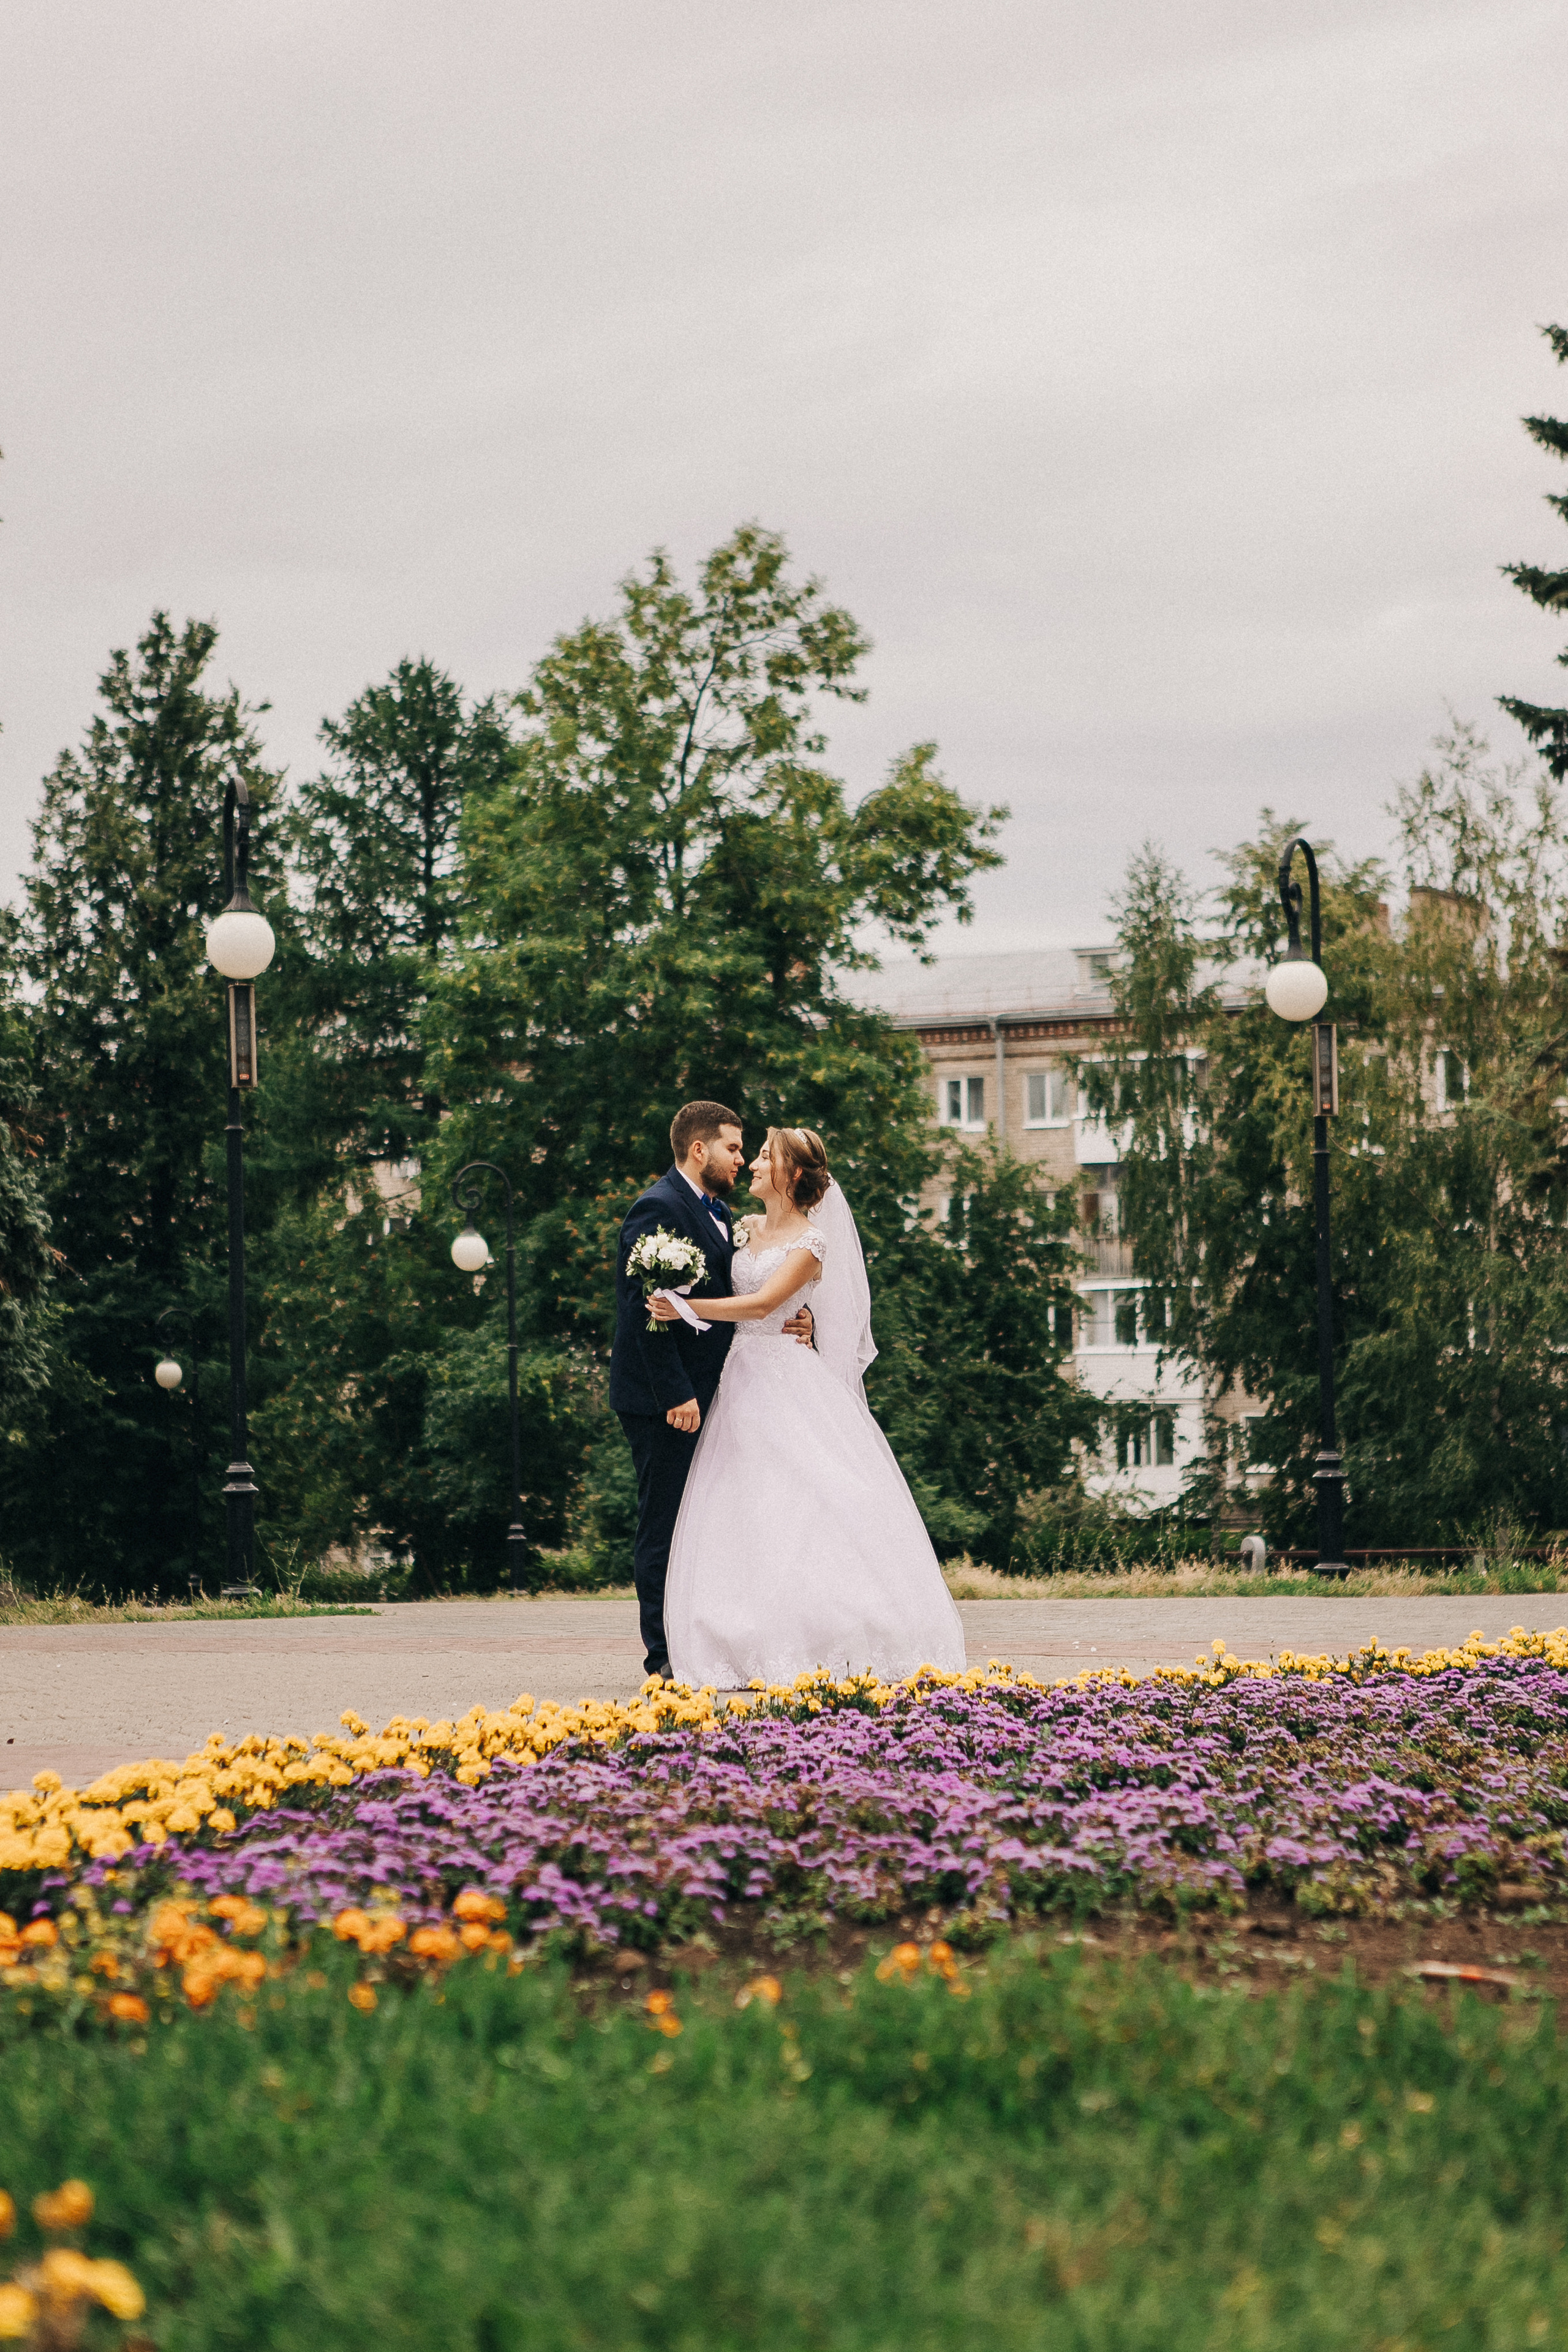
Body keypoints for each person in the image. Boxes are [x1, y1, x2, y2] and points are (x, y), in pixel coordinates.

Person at [654, 1125, 966, 1687]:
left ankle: (826, 1634)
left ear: (793, 1173)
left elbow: (763, 1305)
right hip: (738, 1379)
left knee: (804, 1503)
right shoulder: (743, 1229)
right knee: (743, 1506)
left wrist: (686, 1308)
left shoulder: (812, 1244)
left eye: (764, 1156)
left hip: (785, 1380)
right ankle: (741, 1636)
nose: (752, 1164)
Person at [608, 1101, 813, 1680]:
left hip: (721, 1394)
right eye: (733, 1148)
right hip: (666, 1401)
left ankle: (708, 1643)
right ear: (699, 1150)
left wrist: (801, 1318)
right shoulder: (658, 1207)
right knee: (665, 1525)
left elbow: (751, 1294)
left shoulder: (722, 1214)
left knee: (711, 1525)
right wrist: (675, 1393)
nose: (741, 1159)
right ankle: (664, 1658)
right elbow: (644, 1310)